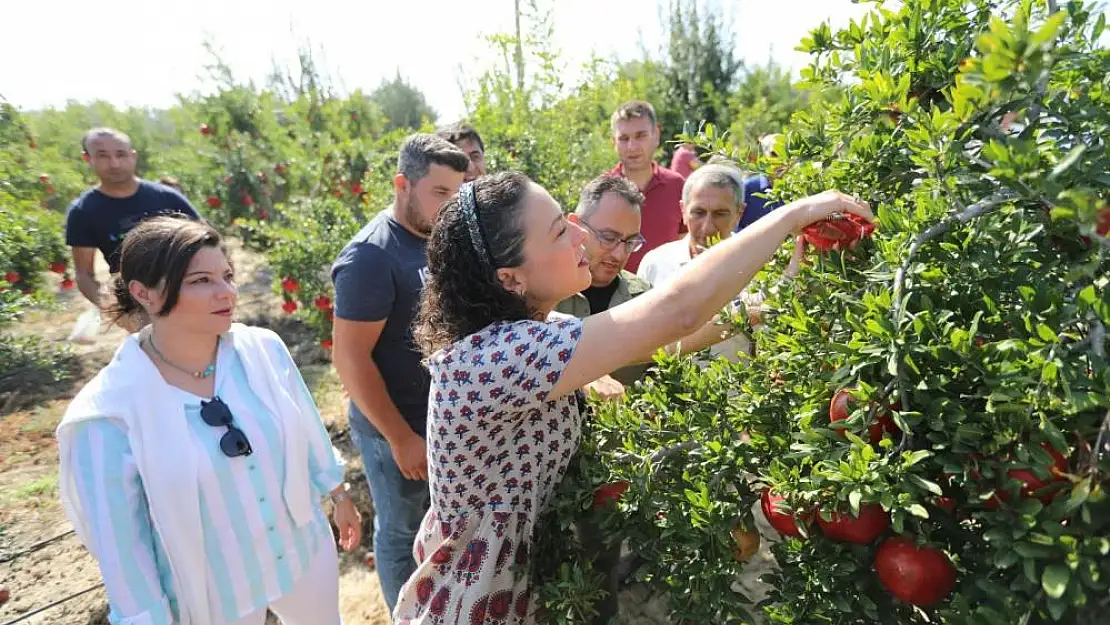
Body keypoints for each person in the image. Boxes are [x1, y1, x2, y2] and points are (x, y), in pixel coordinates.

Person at [391, 170, 871, 624]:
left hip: (522, 590)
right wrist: (792, 215)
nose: (582, 240)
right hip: (470, 604)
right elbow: (677, 311)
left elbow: (669, 338)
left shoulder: (541, 329)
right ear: (509, 277)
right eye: (560, 232)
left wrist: (779, 295)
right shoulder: (493, 357)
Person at [56, 216, 361, 625]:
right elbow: (123, 548)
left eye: (228, 276)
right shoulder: (107, 416)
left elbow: (304, 426)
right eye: (201, 281)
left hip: (300, 551)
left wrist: (338, 494)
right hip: (214, 593)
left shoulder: (261, 350)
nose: (227, 293)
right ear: (143, 292)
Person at [330, 134, 469, 616]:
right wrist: (401, 437)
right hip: (397, 428)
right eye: (439, 192)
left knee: (438, 526)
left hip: (438, 422)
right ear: (401, 184)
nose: (450, 205)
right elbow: (350, 360)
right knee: (402, 530)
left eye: (457, 192)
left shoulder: (436, 237)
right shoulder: (371, 257)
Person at [556, 175, 747, 386]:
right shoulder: (539, 292)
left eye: (630, 242)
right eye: (608, 238)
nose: (619, 255)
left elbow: (669, 354)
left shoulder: (644, 296)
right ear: (575, 224)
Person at [65, 128, 202, 331]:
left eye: (121, 154)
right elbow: (84, 275)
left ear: (133, 155)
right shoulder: (84, 211)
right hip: (140, 304)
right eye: (103, 156)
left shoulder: (166, 197)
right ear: (88, 158)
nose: (114, 163)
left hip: (191, 295)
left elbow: (210, 242)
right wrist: (118, 311)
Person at [607, 100, 686, 273]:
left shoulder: (677, 186)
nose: (632, 146)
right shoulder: (602, 190)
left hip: (669, 292)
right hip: (618, 297)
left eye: (640, 135)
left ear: (656, 135)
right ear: (614, 142)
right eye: (624, 138)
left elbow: (686, 245)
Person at [734, 133, 784, 232]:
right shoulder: (746, 189)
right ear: (763, 157)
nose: (781, 161)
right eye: (774, 155)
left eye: (785, 154)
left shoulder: (797, 189)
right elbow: (732, 226)